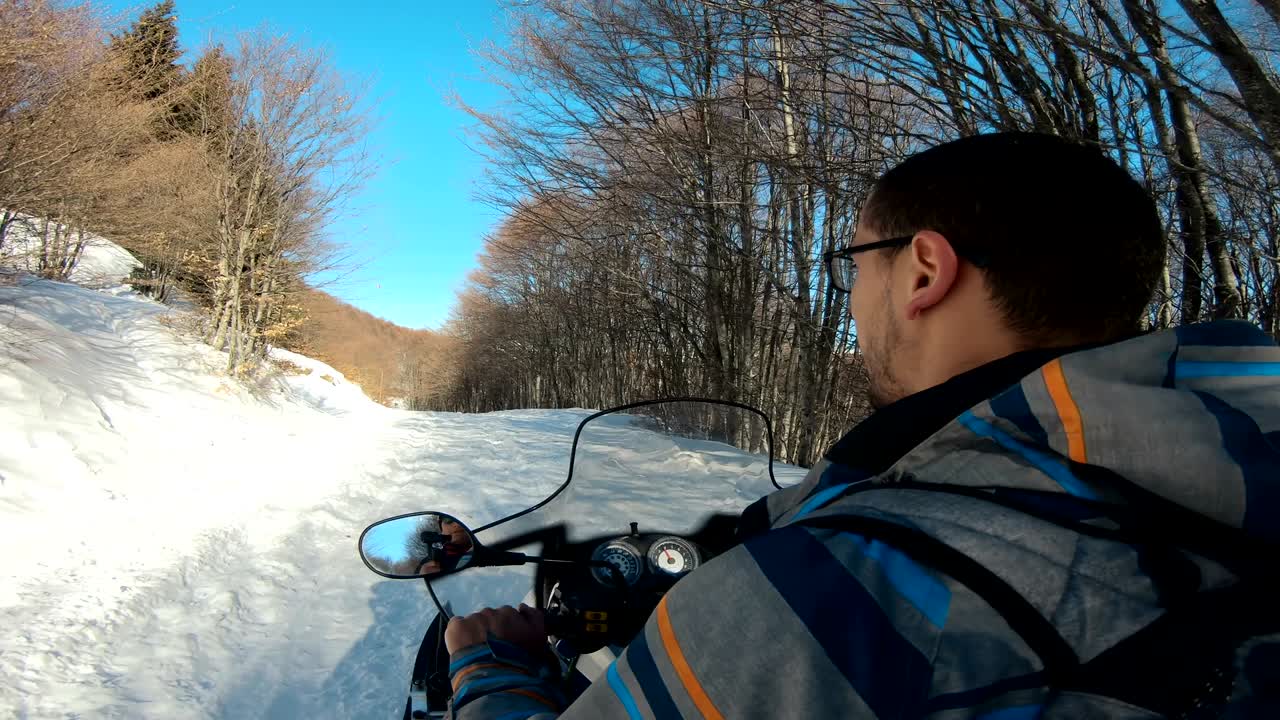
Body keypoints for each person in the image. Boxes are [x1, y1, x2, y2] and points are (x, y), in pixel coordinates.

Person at [441, 132, 1280, 718]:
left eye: (854, 264)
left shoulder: (830, 593)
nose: (850, 298)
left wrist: (491, 669)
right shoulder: (1220, 480)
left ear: (922, 271)